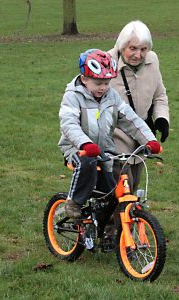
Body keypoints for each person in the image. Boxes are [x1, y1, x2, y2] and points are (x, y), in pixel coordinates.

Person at [58, 48, 161, 219]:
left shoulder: (111, 97)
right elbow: (69, 124)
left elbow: (131, 120)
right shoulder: (73, 96)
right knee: (87, 163)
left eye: (107, 83)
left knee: (110, 191)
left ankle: (105, 228)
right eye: (98, 83)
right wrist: (84, 144)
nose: (103, 88)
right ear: (84, 79)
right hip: (78, 148)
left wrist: (149, 140)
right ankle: (74, 202)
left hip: (104, 149)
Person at [108, 20, 170, 192]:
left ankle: (129, 219)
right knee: (119, 192)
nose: (138, 55)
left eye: (143, 49)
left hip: (142, 138)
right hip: (114, 139)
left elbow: (160, 96)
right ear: (122, 46)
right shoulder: (106, 63)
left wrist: (161, 119)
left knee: (133, 188)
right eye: (133, 48)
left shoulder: (153, 60)